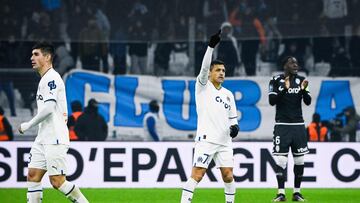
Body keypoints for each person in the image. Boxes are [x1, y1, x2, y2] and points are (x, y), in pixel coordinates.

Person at [18, 42, 89, 203]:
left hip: (55, 137)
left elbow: (49, 108)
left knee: (57, 182)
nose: (32, 58)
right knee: (33, 176)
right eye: (32, 54)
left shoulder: (52, 78)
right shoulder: (44, 79)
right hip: (43, 137)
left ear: (48, 57)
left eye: (36, 54)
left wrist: (29, 124)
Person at [180, 30, 239, 203]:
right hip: (206, 140)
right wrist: (210, 47)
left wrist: (235, 127)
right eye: (218, 70)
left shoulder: (229, 94)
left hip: (225, 141)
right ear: (210, 73)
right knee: (197, 174)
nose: (221, 73)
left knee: (228, 176)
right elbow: (204, 67)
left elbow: (232, 119)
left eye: (223, 70)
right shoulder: (203, 87)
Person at [268, 56, 311, 202]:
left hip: (298, 125)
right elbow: (272, 101)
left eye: (296, 62)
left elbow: (308, 101)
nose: (295, 64)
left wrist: (304, 90)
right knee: (281, 160)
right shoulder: (275, 80)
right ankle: (281, 193)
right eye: (292, 62)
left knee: (300, 161)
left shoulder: (302, 80)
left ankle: (297, 193)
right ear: (285, 65)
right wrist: (283, 90)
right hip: (282, 125)